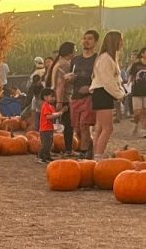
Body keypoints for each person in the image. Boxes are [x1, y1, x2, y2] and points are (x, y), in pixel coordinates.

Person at [90, 30, 125, 160]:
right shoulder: (105, 58)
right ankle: (98, 156)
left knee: (100, 127)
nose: (122, 43)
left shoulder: (108, 58)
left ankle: (97, 154)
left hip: (102, 93)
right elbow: (108, 81)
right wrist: (120, 94)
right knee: (107, 128)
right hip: (103, 93)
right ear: (115, 42)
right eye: (120, 40)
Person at [68, 29, 99, 159]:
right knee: (77, 128)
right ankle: (88, 147)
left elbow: (101, 77)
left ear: (95, 42)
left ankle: (84, 152)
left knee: (84, 124)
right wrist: (70, 79)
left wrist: (90, 88)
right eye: (84, 38)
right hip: (75, 96)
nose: (86, 41)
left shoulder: (97, 59)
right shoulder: (76, 59)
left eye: (90, 38)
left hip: (89, 96)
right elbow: (71, 76)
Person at [50, 42, 75, 156]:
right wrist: (60, 101)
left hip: (58, 96)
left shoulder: (58, 63)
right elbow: (61, 84)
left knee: (64, 124)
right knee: (68, 125)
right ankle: (68, 149)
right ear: (70, 52)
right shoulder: (64, 64)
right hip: (63, 98)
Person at [36, 87, 64, 164]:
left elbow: (54, 115)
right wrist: (59, 113)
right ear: (45, 97)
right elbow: (49, 116)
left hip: (49, 128)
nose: (54, 98)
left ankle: (47, 156)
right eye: (52, 96)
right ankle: (41, 157)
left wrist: (60, 112)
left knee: (49, 143)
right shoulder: (45, 106)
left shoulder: (51, 106)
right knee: (46, 144)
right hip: (45, 129)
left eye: (54, 96)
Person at [127, 47, 146, 138]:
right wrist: (128, 83)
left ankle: (143, 130)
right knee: (137, 112)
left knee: (145, 112)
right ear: (142, 54)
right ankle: (135, 125)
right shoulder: (136, 65)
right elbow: (131, 76)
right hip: (137, 91)